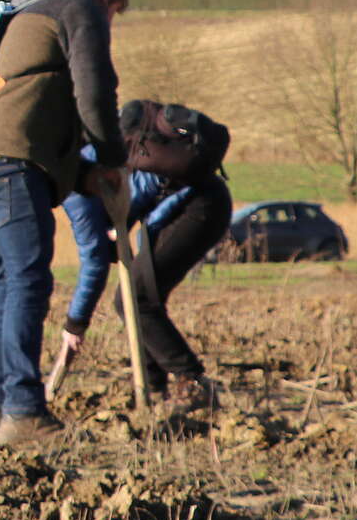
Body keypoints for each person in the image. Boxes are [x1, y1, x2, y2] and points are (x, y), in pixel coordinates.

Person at [0, 0, 128, 445]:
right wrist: (113, 160)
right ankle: (25, 409)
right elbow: (95, 94)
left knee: (10, 280)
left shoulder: (32, 1)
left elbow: (47, 102)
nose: (109, 24)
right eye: (114, 13)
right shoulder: (79, 4)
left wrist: (85, 174)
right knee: (27, 279)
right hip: (11, 155)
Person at [60, 143, 233, 414]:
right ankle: (154, 389)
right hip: (200, 199)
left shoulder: (74, 189)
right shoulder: (88, 152)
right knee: (140, 299)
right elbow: (131, 192)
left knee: (137, 299)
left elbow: (94, 264)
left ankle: (192, 382)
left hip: (196, 205)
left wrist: (75, 324)